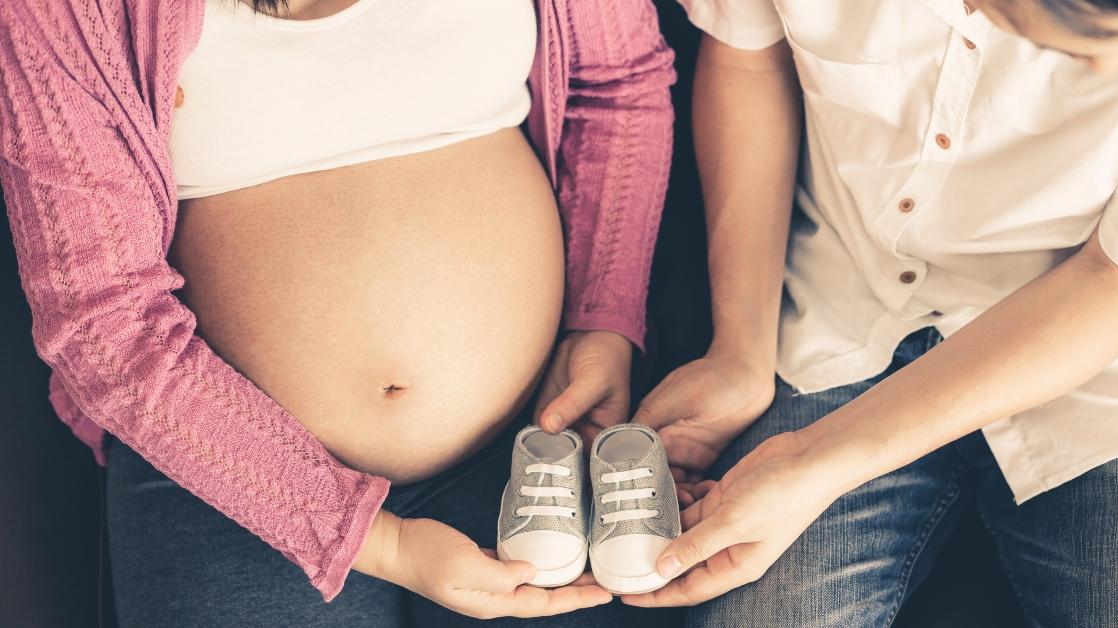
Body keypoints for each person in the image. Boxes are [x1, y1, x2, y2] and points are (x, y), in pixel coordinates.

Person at [0, 0, 674, 625]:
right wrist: (372, 538)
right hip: (228, 481)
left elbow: (613, 85)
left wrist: (602, 317)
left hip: (534, 454)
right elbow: (101, 317)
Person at [607, 0, 1118, 625]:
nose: (1111, 68)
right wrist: (740, 348)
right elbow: (750, 61)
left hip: (1113, 369)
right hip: (841, 313)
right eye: (1092, 39)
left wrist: (814, 461)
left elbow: (1117, 281)